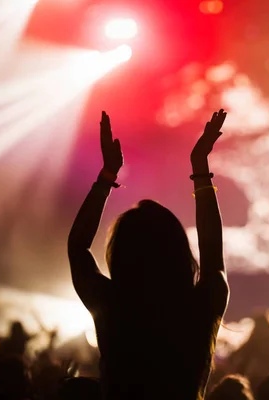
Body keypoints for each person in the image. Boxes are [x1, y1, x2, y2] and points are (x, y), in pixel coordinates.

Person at [67, 110, 230, 400]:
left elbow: (78, 246)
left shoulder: (110, 306)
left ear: (121, 253)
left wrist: (106, 176)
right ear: (180, 253)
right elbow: (213, 255)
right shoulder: (202, 306)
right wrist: (200, 167)